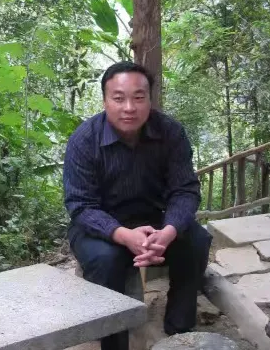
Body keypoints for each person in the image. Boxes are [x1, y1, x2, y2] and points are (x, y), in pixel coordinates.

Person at [63, 61, 212, 350]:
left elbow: (185, 190)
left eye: (138, 97)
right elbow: (80, 205)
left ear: (149, 99)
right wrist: (122, 235)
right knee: (107, 261)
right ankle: (114, 342)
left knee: (196, 241)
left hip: (156, 221)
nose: (129, 107)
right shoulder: (84, 140)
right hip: (100, 227)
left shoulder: (170, 133)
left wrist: (168, 231)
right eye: (119, 98)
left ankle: (180, 332)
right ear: (105, 101)